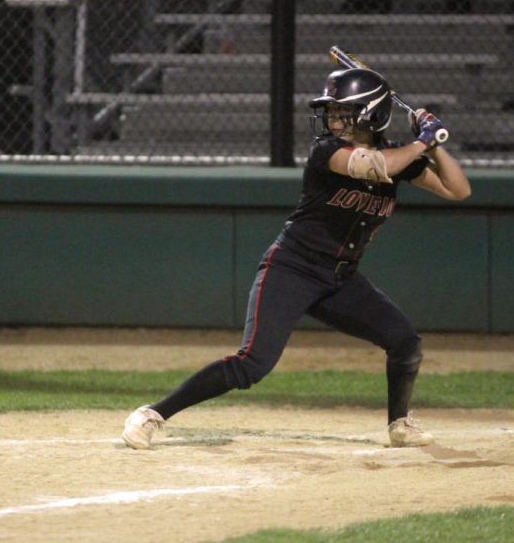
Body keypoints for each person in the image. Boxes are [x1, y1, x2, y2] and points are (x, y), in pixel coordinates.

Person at [122, 67, 471, 450]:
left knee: (405, 342)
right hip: (292, 267)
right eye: (333, 111)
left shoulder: (400, 156)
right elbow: (378, 167)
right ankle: (152, 415)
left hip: (341, 279)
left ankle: (400, 425)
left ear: (372, 114)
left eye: (344, 111)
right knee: (252, 364)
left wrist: (434, 142)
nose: (334, 119)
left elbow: (458, 189)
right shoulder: (329, 151)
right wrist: (422, 141)